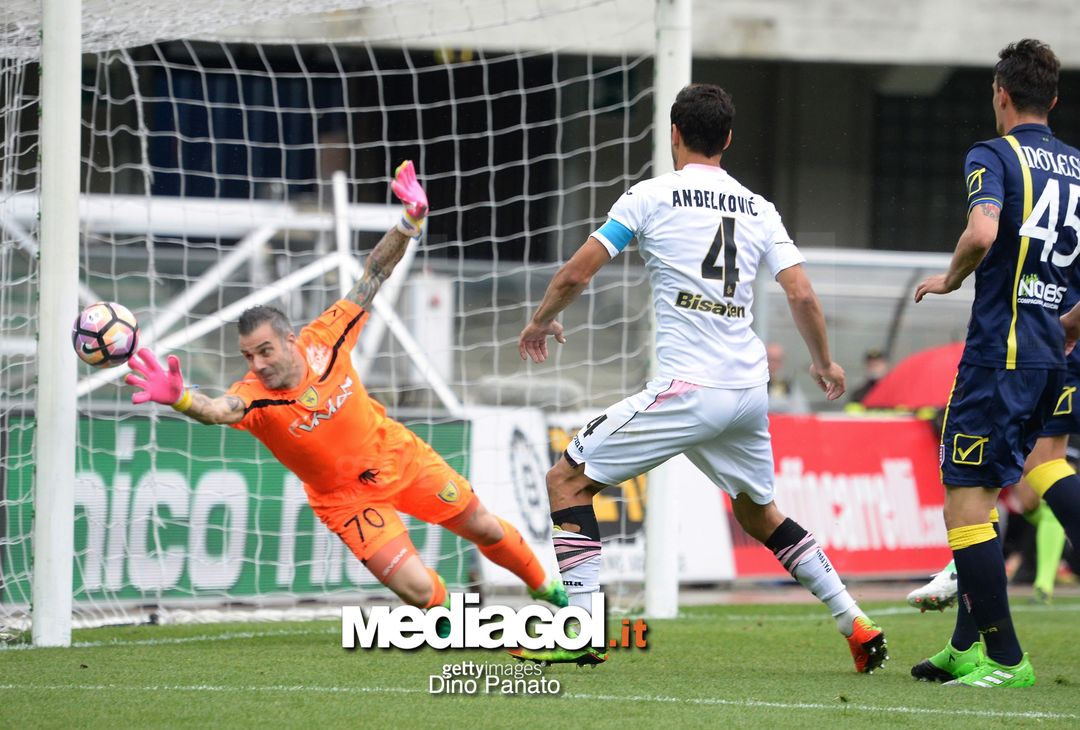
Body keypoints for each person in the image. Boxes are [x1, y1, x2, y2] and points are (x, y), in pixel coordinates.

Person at [513, 84, 887, 671]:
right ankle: (854, 620)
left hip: (691, 391)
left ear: (674, 135)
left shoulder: (649, 197)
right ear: (729, 139)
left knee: (566, 481)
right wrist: (823, 361)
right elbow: (802, 293)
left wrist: (540, 321)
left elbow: (575, 274)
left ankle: (579, 632)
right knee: (758, 513)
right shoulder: (760, 208)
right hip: (745, 392)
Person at [125, 161, 566, 621]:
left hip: (397, 455)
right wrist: (180, 398)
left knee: (483, 525)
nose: (257, 364)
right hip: (345, 500)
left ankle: (544, 585)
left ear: (290, 339)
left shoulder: (328, 337)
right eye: (248, 356)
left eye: (265, 351)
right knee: (416, 590)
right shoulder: (254, 395)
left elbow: (373, 275)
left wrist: (409, 221)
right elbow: (218, 409)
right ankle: (473, 626)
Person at [912, 39, 1080, 687]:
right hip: (1046, 359)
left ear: (1001, 95)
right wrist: (1060, 334)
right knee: (983, 498)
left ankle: (1007, 658)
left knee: (963, 503)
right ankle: (963, 648)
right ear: (1055, 99)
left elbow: (982, 233)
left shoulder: (993, 155)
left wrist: (952, 279)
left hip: (997, 356)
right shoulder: (1076, 168)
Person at [766, 341, 810, 413]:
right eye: (769, 359)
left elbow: (802, 411)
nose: (772, 364)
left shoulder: (787, 384)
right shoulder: (753, 382)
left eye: (777, 360)